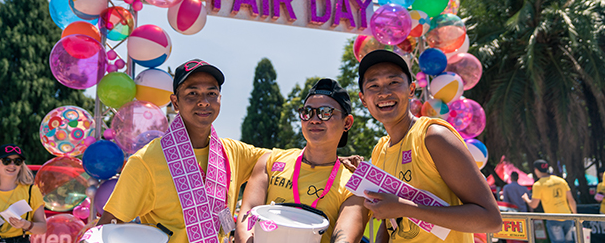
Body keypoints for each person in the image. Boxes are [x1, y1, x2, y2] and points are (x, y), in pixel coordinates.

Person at [99, 59, 270, 243]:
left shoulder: (234, 152)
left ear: (220, 99)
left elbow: (279, 160)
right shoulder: (146, 161)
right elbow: (109, 227)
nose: (204, 102)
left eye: (211, 93)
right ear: (175, 102)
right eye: (192, 93)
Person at [356, 50, 502, 243]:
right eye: (373, 86)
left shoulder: (433, 136)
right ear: (363, 99)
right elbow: (390, 221)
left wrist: (405, 208)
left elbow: (491, 220)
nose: (384, 92)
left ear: (411, 90)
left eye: (393, 82)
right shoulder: (379, 150)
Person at [235, 78, 369, 243]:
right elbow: (247, 213)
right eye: (307, 112)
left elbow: (345, 238)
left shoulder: (355, 185)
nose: (314, 119)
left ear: (347, 122)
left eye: (325, 112)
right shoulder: (270, 160)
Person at [0, 144, 47, 243]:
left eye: (17, 161)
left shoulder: (31, 191)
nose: (12, 165)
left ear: (21, 166)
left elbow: (42, 228)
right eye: (6, 161)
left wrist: (26, 225)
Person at [522, 159, 577, 243]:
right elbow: (571, 200)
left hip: (553, 218)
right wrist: (575, 216)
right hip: (567, 216)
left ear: (536, 170)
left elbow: (534, 205)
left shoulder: (538, 185)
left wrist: (526, 199)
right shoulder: (560, 180)